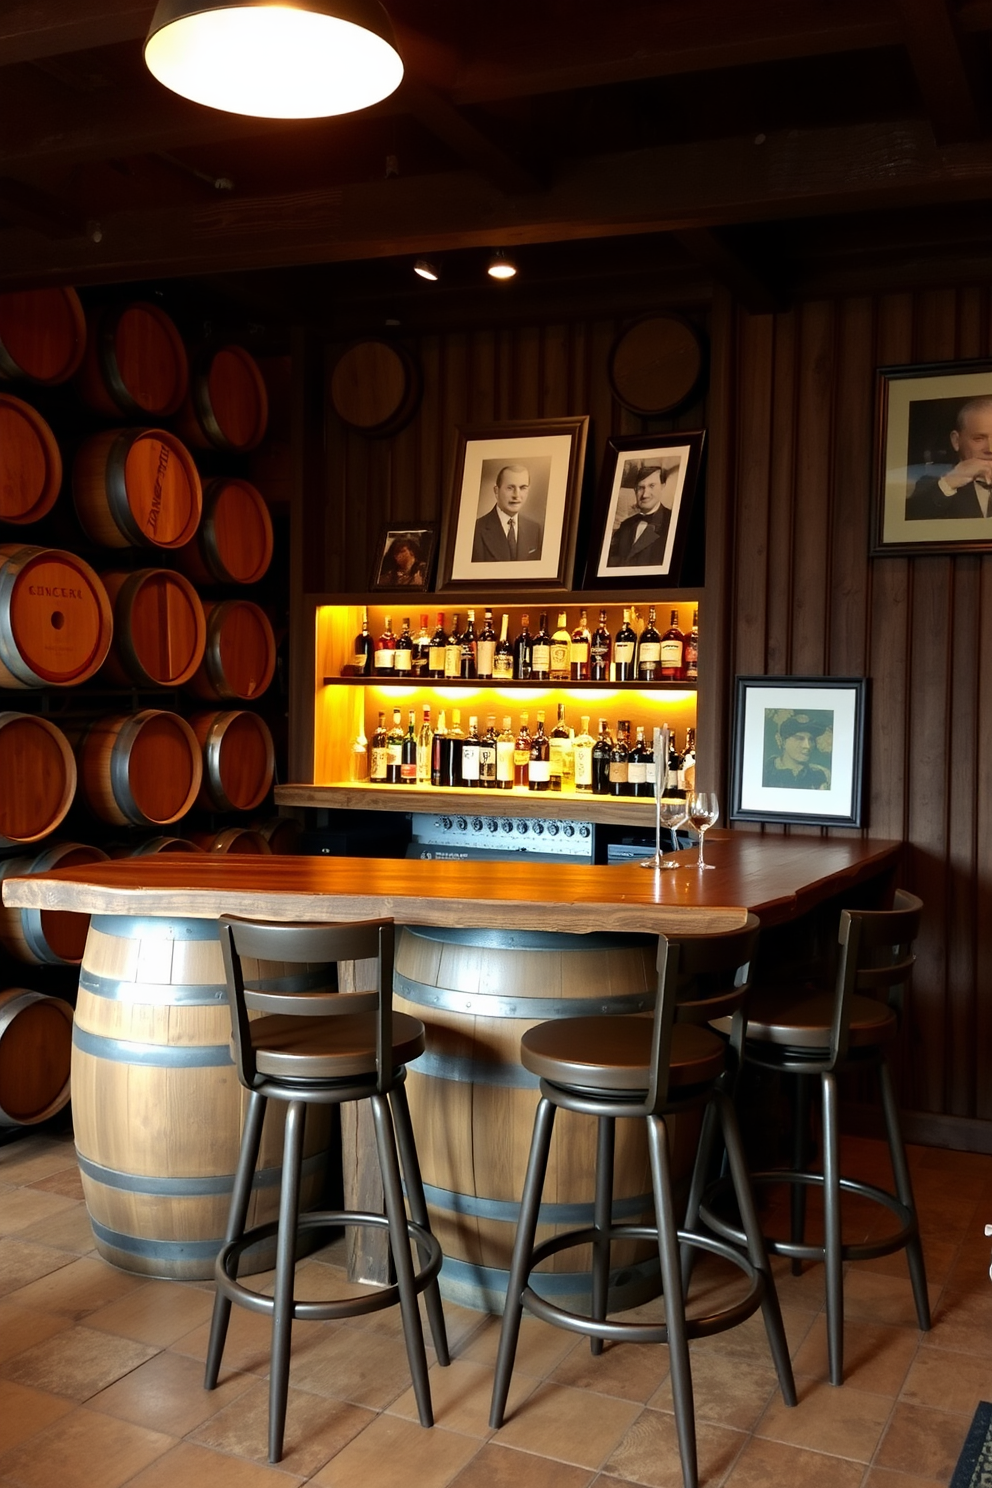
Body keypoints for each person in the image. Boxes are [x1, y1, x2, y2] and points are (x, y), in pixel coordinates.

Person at [906, 396, 992, 519]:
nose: (990, 449)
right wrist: (951, 481)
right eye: (979, 438)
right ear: (956, 441)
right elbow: (909, 521)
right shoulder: (933, 484)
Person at [472, 464, 542, 561]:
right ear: (496, 491)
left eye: (522, 488)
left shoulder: (535, 529)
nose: (516, 495)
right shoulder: (476, 529)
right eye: (510, 488)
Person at [608, 462, 673, 566]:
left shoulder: (673, 522)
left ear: (662, 486)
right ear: (635, 490)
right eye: (640, 488)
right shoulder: (625, 525)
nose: (645, 494)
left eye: (652, 486)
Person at [762, 714, 831, 790]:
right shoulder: (765, 771)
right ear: (783, 741)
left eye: (811, 740)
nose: (807, 746)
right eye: (799, 739)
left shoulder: (822, 775)